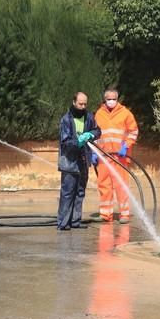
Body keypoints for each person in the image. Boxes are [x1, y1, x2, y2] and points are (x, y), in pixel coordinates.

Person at [92, 89, 139, 224]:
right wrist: (95, 152)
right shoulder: (99, 114)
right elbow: (95, 134)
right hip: (104, 157)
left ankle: (124, 214)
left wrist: (126, 145)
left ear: (117, 99)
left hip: (120, 157)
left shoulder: (125, 114)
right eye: (109, 99)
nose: (111, 101)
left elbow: (133, 131)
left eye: (114, 99)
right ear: (105, 100)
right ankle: (105, 214)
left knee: (121, 185)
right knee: (104, 185)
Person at [57, 92, 101, 230]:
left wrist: (91, 134)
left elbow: (98, 130)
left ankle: (75, 221)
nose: (83, 107)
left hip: (83, 160)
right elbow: (65, 142)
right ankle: (63, 223)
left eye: (85, 104)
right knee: (68, 192)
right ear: (74, 102)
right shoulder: (66, 120)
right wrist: (78, 142)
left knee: (80, 192)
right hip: (69, 162)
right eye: (80, 103)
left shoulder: (89, 117)